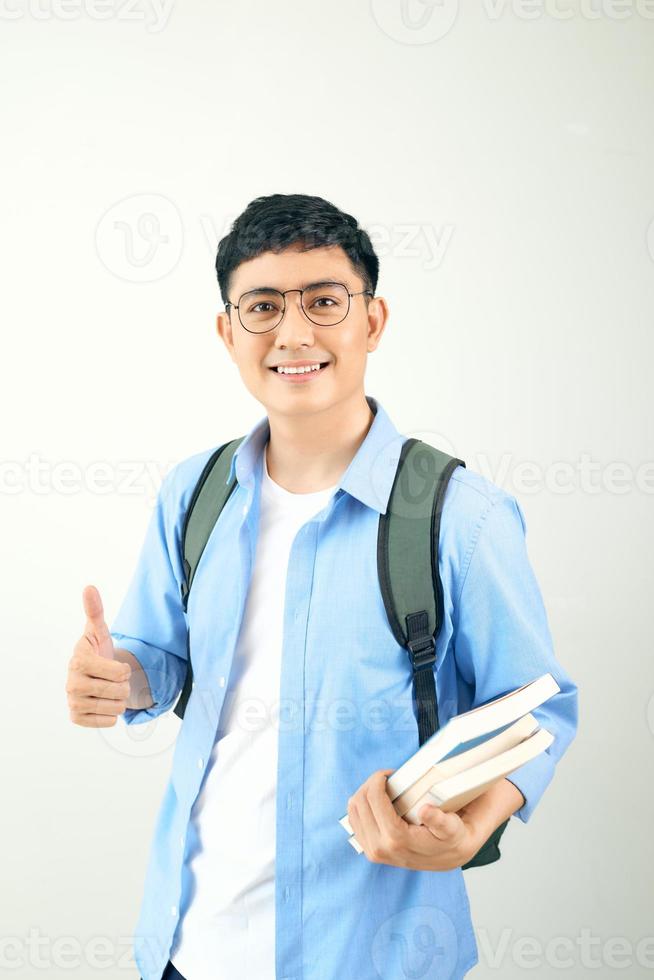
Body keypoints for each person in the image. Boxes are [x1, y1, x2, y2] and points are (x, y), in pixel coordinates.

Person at [65, 193, 578, 980]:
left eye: (324, 301)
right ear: (227, 332)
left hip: (368, 951)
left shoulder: (458, 515)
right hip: (184, 943)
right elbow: (157, 657)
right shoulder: (193, 493)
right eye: (263, 306)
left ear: (371, 322)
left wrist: (475, 827)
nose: (294, 333)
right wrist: (122, 677)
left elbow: (538, 704)